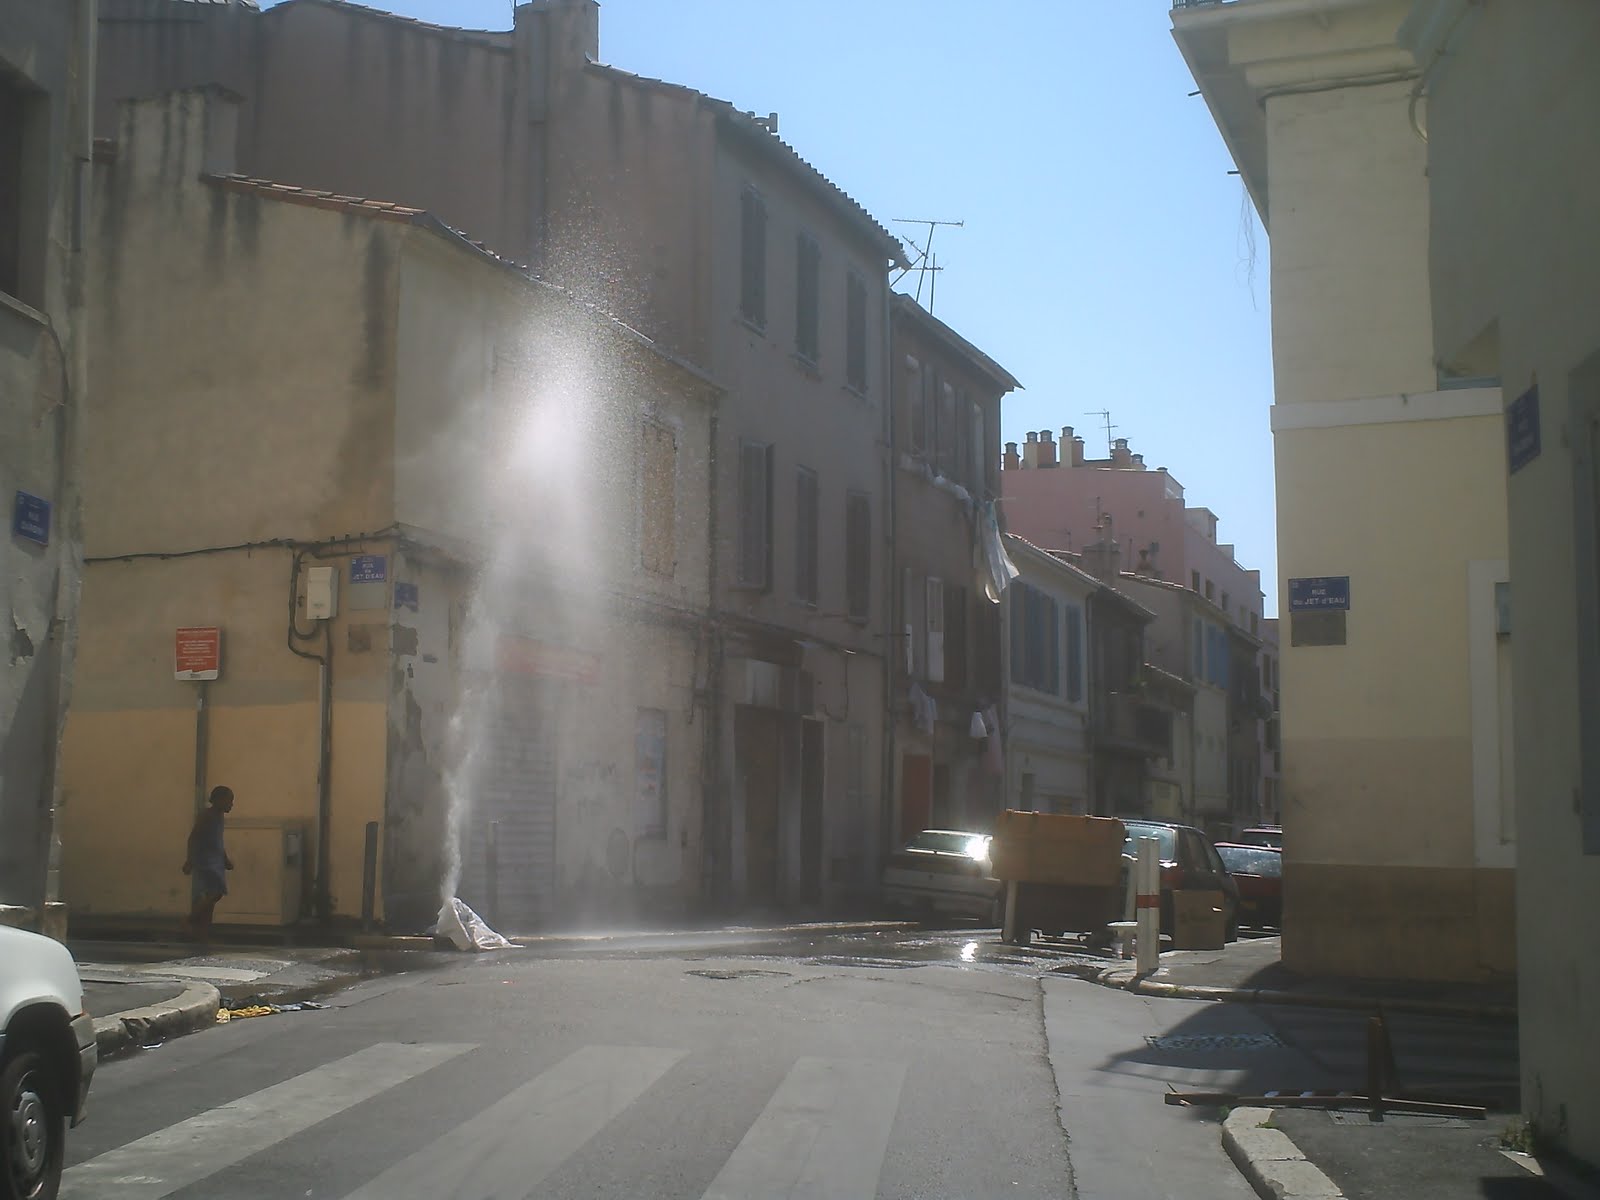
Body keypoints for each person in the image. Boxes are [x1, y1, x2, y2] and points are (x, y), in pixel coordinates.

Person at [182, 785, 235, 943]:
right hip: (206, 860)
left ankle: (202, 932)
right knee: (214, 893)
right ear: (218, 800)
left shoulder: (219, 817)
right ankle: (189, 920)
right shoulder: (207, 815)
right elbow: (194, 838)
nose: (231, 804)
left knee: (212, 898)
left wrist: (225, 859)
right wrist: (190, 860)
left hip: (216, 860)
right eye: (229, 801)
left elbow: (218, 840)